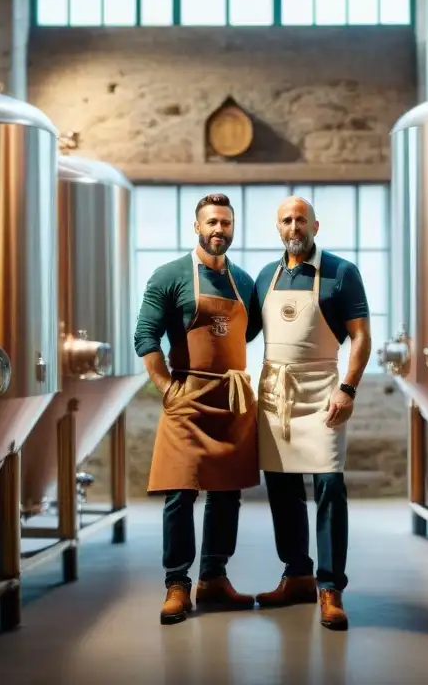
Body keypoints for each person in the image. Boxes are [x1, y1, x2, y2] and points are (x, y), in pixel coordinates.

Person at [134, 193, 260, 625]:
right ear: (196, 226)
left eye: (225, 223)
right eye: (211, 222)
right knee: (180, 492)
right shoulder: (169, 276)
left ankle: (214, 577)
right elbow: (145, 336)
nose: (218, 230)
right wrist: (166, 387)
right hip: (186, 395)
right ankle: (177, 583)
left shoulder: (244, 282)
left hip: (231, 396)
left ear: (232, 227)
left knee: (227, 494)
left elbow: (252, 330)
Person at [248, 196, 372, 631]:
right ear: (277, 227)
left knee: (329, 488)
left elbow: (360, 337)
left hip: (322, 394)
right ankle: (297, 574)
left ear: (315, 226)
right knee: (281, 490)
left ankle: (331, 587)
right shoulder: (266, 276)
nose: (294, 226)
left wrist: (348, 388)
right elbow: (240, 332)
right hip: (274, 392)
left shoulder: (342, 273)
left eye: (301, 219)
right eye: (286, 219)